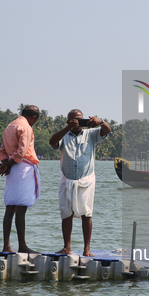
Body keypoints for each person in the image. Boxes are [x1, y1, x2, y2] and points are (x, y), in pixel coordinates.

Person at [49, 109, 111, 257]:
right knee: (66, 213)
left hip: (86, 179)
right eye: (73, 120)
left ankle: (87, 249)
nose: (77, 122)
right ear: (68, 121)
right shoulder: (64, 135)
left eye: (79, 120)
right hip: (67, 178)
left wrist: (100, 122)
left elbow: (107, 130)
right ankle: (67, 247)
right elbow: (52, 142)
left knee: (87, 214)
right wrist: (67, 128)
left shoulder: (91, 134)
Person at [0, 105, 41, 253]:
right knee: (20, 209)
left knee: (10, 208)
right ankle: (22, 246)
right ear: (33, 117)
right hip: (22, 168)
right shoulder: (26, 127)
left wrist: (6, 165)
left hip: (12, 168)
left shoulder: (10, 126)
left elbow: (2, 150)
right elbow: (21, 153)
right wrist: (8, 164)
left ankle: (6, 246)